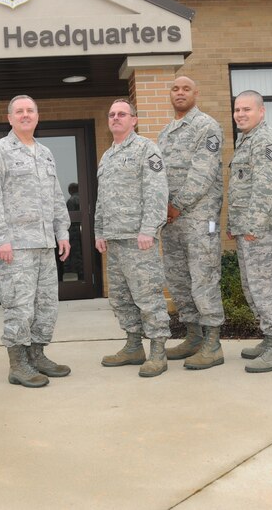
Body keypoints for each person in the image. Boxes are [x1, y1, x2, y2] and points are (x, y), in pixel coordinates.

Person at [0, 95, 71, 388]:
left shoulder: (44, 152)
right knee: (19, 306)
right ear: (10, 118)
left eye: (30, 110)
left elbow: (56, 196)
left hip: (45, 245)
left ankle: (38, 355)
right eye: (19, 111)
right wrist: (0, 238)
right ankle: (18, 364)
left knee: (46, 305)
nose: (25, 115)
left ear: (37, 116)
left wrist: (63, 232)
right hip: (15, 247)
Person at [95, 100, 171, 377]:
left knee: (148, 295)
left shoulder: (146, 150)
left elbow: (157, 192)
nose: (115, 118)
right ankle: (133, 345)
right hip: (114, 240)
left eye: (121, 114)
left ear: (134, 120)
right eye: (112, 114)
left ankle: (158, 351)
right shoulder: (108, 156)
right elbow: (102, 199)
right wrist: (99, 231)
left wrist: (149, 229)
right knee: (122, 297)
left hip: (139, 240)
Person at [157, 76, 226, 369]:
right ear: (170, 95)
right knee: (179, 280)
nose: (180, 93)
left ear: (196, 93)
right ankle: (193, 335)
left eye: (186, 89)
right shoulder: (165, 133)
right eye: (175, 89)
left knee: (203, 278)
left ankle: (213, 343)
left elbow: (203, 174)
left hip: (199, 219)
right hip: (172, 221)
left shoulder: (207, 127)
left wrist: (177, 206)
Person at [228, 90, 272, 373]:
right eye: (237, 109)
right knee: (251, 285)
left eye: (247, 109)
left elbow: (265, 189)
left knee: (265, 285)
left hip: (262, 229)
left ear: (261, 111)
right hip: (247, 228)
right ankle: (268, 338)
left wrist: (252, 226)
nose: (240, 114)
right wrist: (235, 224)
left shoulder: (268, 141)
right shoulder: (246, 140)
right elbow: (242, 187)